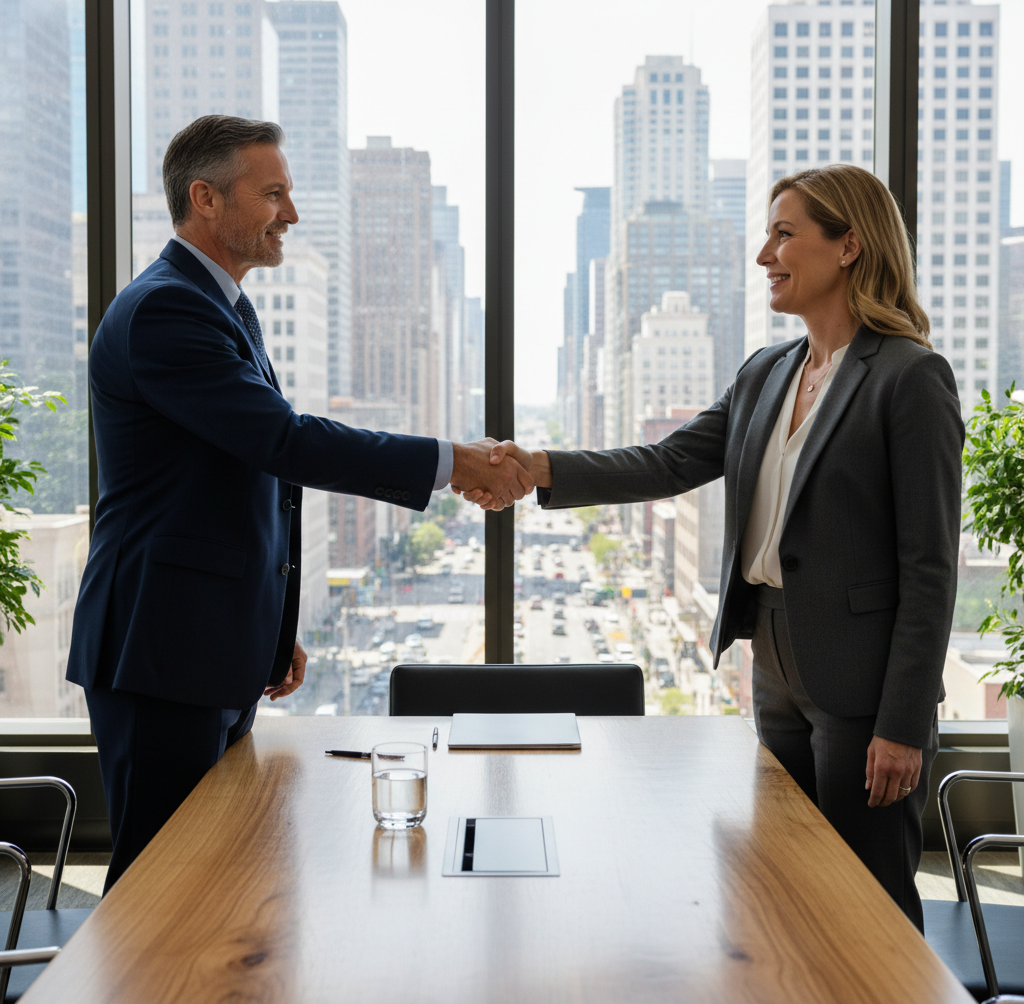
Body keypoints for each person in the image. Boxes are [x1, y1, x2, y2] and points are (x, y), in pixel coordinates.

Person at [458, 164, 963, 930]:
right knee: (787, 878)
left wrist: (900, 723)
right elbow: (667, 463)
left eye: (785, 234)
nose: (765, 256)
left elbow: (931, 569)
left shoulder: (909, 377)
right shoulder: (768, 372)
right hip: (775, 659)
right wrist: (541, 468)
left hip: (862, 679)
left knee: (868, 900)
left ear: (850, 245)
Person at [68, 115, 534, 892]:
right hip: (159, 648)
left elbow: (247, 481)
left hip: (204, 645)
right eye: (274, 193)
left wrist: (267, 626)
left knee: (218, 874)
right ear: (206, 199)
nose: (291, 213)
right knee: (161, 887)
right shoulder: (166, 311)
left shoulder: (222, 307)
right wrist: (455, 461)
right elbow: (282, 442)